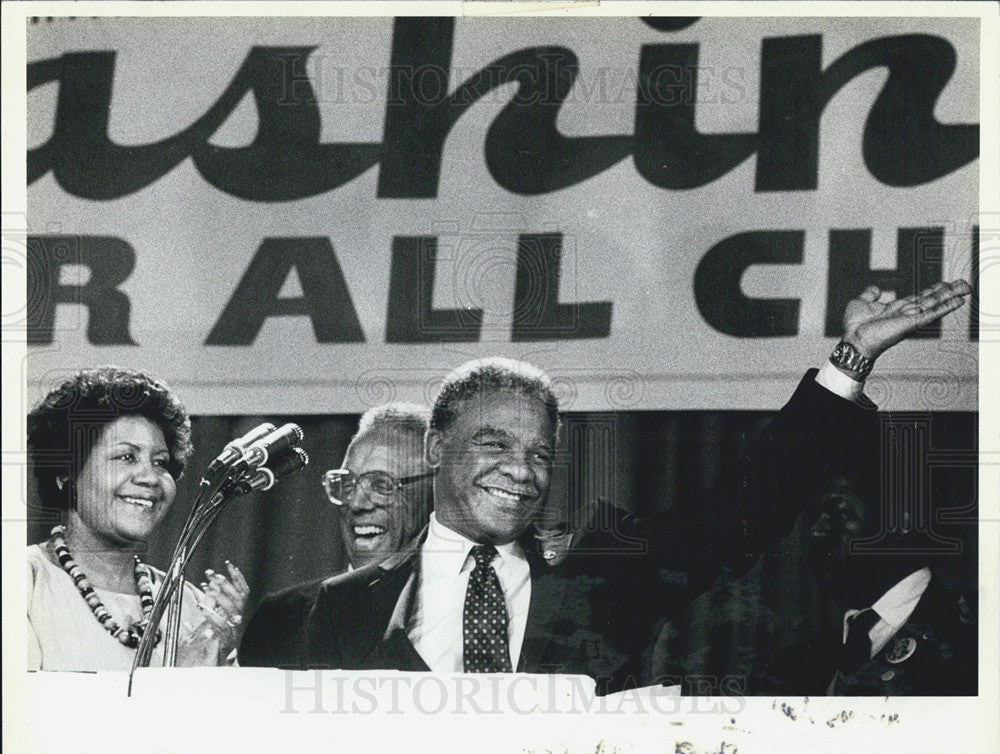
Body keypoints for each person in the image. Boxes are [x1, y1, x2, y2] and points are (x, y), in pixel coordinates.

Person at [240, 280, 972, 694]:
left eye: (540, 454)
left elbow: (744, 509)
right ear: (437, 448)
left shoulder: (602, 565)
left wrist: (851, 360)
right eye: (494, 444)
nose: (522, 472)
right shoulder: (313, 616)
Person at [26, 366, 249, 671]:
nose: (151, 478)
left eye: (161, 462)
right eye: (126, 457)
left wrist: (217, 652)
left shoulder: (190, 606)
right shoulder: (23, 582)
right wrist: (177, 682)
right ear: (66, 473)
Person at [238, 403, 434, 666]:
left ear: (435, 492)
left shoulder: (466, 610)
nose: (355, 503)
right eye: (346, 484)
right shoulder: (280, 619)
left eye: (381, 485)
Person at [753, 471, 977, 695]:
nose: (815, 531)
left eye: (839, 513)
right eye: (814, 516)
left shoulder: (974, 646)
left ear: (901, 523)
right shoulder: (792, 667)